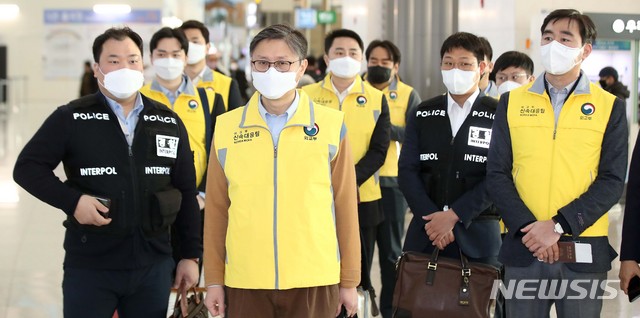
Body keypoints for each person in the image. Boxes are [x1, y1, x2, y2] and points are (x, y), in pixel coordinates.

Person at [13, 27, 201, 317]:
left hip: (153, 265)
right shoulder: (72, 117)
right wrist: (72, 202)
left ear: (143, 65)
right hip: (90, 266)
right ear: (97, 68)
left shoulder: (166, 120)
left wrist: (189, 255)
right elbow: (27, 168)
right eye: (113, 60)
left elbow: (186, 190)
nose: (124, 67)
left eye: (133, 59)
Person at [202, 24, 361, 318]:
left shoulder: (330, 125)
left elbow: (345, 205)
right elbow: (216, 209)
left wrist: (350, 280)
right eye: (261, 63)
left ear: (301, 68)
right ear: (251, 66)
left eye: (282, 63)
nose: (271, 71)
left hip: (314, 277)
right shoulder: (227, 127)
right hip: (246, 279)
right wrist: (213, 279)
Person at [487, 9, 628, 318]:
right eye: (548, 37)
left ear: (585, 49)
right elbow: (496, 173)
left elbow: (612, 180)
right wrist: (531, 229)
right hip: (524, 247)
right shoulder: (513, 102)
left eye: (565, 39)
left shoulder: (609, 107)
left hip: (582, 249)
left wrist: (558, 226)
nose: (554, 45)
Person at [398, 32, 501, 269]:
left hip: (478, 235)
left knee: (476, 305)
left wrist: (454, 215)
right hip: (426, 232)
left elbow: (499, 175)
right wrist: (433, 220)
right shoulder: (424, 112)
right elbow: (407, 170)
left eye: (465, 63)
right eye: (448, 63)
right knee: (417, 303)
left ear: (482, 67)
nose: (455, 70)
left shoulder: (498, 114)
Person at [302, 29, 391, 298]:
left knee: (358, 269)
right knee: (317, 262)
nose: (346, 57)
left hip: (363, 197)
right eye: (339, 52)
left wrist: (347, 180)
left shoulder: (376, 98)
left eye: (353, 53)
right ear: (327, 58)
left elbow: (379, 150)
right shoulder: (305, 96)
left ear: (362, 59)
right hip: (313, 196)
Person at [139, 27, 225, 274]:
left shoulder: (209, 100)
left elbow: (220, 151)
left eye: (176, 54)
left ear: (186, 58)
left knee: (196, 281)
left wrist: (202, 194)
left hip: (198, 205)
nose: (169, 60)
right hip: (151, 207)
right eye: (162, 54)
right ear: (152, 58)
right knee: (154, 281)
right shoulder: (139, 98)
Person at [363, 39, 421, 318]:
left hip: (392, 184)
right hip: (358, 184)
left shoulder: (409, 95)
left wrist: (383, 129)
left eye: (385, 62)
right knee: (359, 256)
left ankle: (391, 311)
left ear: (395, 66)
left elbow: (416, 137)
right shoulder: (355, 91)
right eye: (373, 61)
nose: (378, 66)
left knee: (391, 255)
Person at [180, 20, 243, 110]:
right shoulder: (170, 83)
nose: (189, 46)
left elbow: (236, 121)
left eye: (195, 41)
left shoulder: (227, 85)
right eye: (185, 42)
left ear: (207, 47)